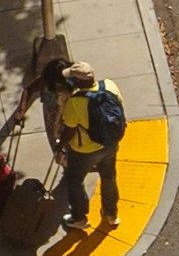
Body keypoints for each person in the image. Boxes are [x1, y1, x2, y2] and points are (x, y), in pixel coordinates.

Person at [43, 52, 129, 233]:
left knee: (74, 181)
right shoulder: (110, 86)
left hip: (84, 151)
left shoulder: (75, 103)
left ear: (78, 82)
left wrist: (59, 145)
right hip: (110, 144)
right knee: (109, 177)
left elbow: (69, 130)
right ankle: (111, 214)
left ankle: (79, 218)